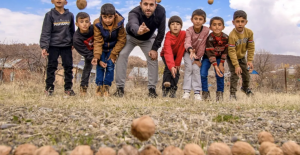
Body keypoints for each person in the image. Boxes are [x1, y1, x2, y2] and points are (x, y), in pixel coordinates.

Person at [113, 0, 166, 98]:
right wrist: (138, 30)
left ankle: (152, 90)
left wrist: (154, 48)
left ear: (156, 5)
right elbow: (133, 23)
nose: (148, 7)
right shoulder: (134, 12)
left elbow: (161, 32)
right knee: (122, 54)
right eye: (145, 4)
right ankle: (119, 89)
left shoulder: (161, 11)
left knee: (152, 57)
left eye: (151, 5)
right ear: (140, 4)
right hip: (131, 36)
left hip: (148, 38)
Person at [40, 0, 75, 96]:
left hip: (66, 46)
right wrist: (44, 46)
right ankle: (49, 89)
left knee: (68, 67)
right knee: (51, 67)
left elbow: (72, 31)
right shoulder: (49, 15)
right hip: (53, 46)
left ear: (66, 2)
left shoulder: (70, 15)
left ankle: (68, 89)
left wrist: (73, 42)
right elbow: (46, 31)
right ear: (52, 1)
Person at [91, 3, 126, 97]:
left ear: (114, 16)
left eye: (110, 17)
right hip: (101, 47)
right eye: (104, 17)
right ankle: (99, 87)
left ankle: (106, 87)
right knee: (100, 66)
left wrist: (114, 54)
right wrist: (97, 56)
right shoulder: (97, 23)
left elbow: (122, 39)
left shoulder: (119, 23)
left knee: (110, 66)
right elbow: (98, 40)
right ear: (101, 16)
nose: (107, 20)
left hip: (113, 48)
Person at [228, 10, 255, 100]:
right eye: (237, 21)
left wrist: (250, 60)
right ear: (233, 22)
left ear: (246, 22)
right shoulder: (232, 35)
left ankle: (245, 88)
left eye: (242, 21)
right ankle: (232, 94)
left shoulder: (249, 33)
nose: (240, 24)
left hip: (242, 56)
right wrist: (236, 65)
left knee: (246, 74)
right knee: (235, 75)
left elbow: (251, 47)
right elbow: (231, 51)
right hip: (232, 57)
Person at [183, 9, 209, 100]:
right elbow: (187, 42)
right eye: (196, 19)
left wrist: (197, 59)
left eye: (200, 19)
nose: (198, 21)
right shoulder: (189, 30)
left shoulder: (206, 30)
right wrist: (190, 50)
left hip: (198, 55)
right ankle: (186, 91)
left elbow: (202, 45)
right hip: (188, 52)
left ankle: (197, 92)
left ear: (204, 21)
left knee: (196, 69)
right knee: (189, 69)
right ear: (191, 19)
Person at [201, 16, 228, 101]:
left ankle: (219, 95)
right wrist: (215, 67)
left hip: (220, 57)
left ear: (223, 27)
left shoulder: (226, 38)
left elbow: (225, 52)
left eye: (219, 25)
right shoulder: (210, 38)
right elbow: (211, 53)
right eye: (214, 25)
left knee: (220, 74)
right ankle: (205, 94)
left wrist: (221, 64)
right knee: (202, 73)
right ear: (210, 27)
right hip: (208, 57)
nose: (217, 27)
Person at [160, 16, 186, 98]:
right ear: (169, 27)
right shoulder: (168, 37)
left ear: (181, 26)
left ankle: (173, 91)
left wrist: (177, 62)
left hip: (177, 55)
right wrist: (171, 66)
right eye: (172, 24)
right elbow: (168, 52)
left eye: (178, 24)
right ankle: (165, 89)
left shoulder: (183, 34)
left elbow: (182, 49)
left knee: (177, 71)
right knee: (169, 68)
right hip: (166, 55)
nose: (175, 26)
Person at [73, 12, 94, 96]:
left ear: (90, 23)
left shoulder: (93, 29)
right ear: (77, 24)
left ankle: (102, 87)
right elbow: (85, 53)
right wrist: (93, 58)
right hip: (88, 53)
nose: (84, 24)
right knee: (87, 67)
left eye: (86, 21)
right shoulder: (76, 38)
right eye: (81, 22)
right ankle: (83, 89)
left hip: (98, 50)